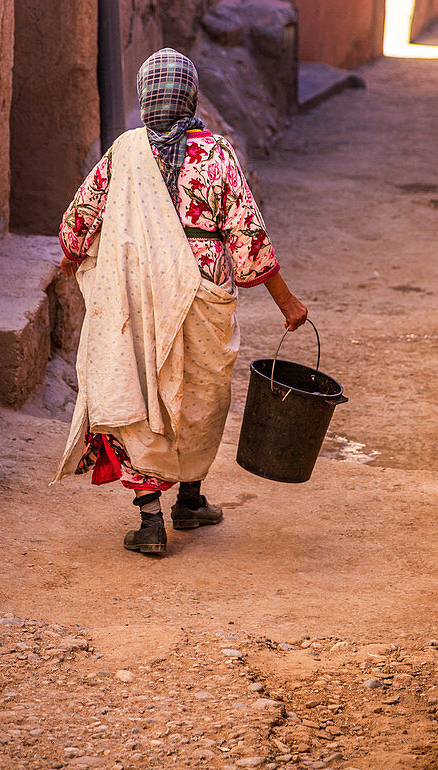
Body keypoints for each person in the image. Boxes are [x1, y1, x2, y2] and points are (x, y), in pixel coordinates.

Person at [55, 48, 307, 555]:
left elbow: (81, 216)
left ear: (148, 94)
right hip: (203, 287)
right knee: (200, 392)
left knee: (144, 391)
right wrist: (288, 303)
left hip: (137, 288)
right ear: (190, 95)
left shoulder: (124, 151)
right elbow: (247, 232)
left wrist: (73, 259)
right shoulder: (216, 153)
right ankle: (189, 499)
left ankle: (151, 521)